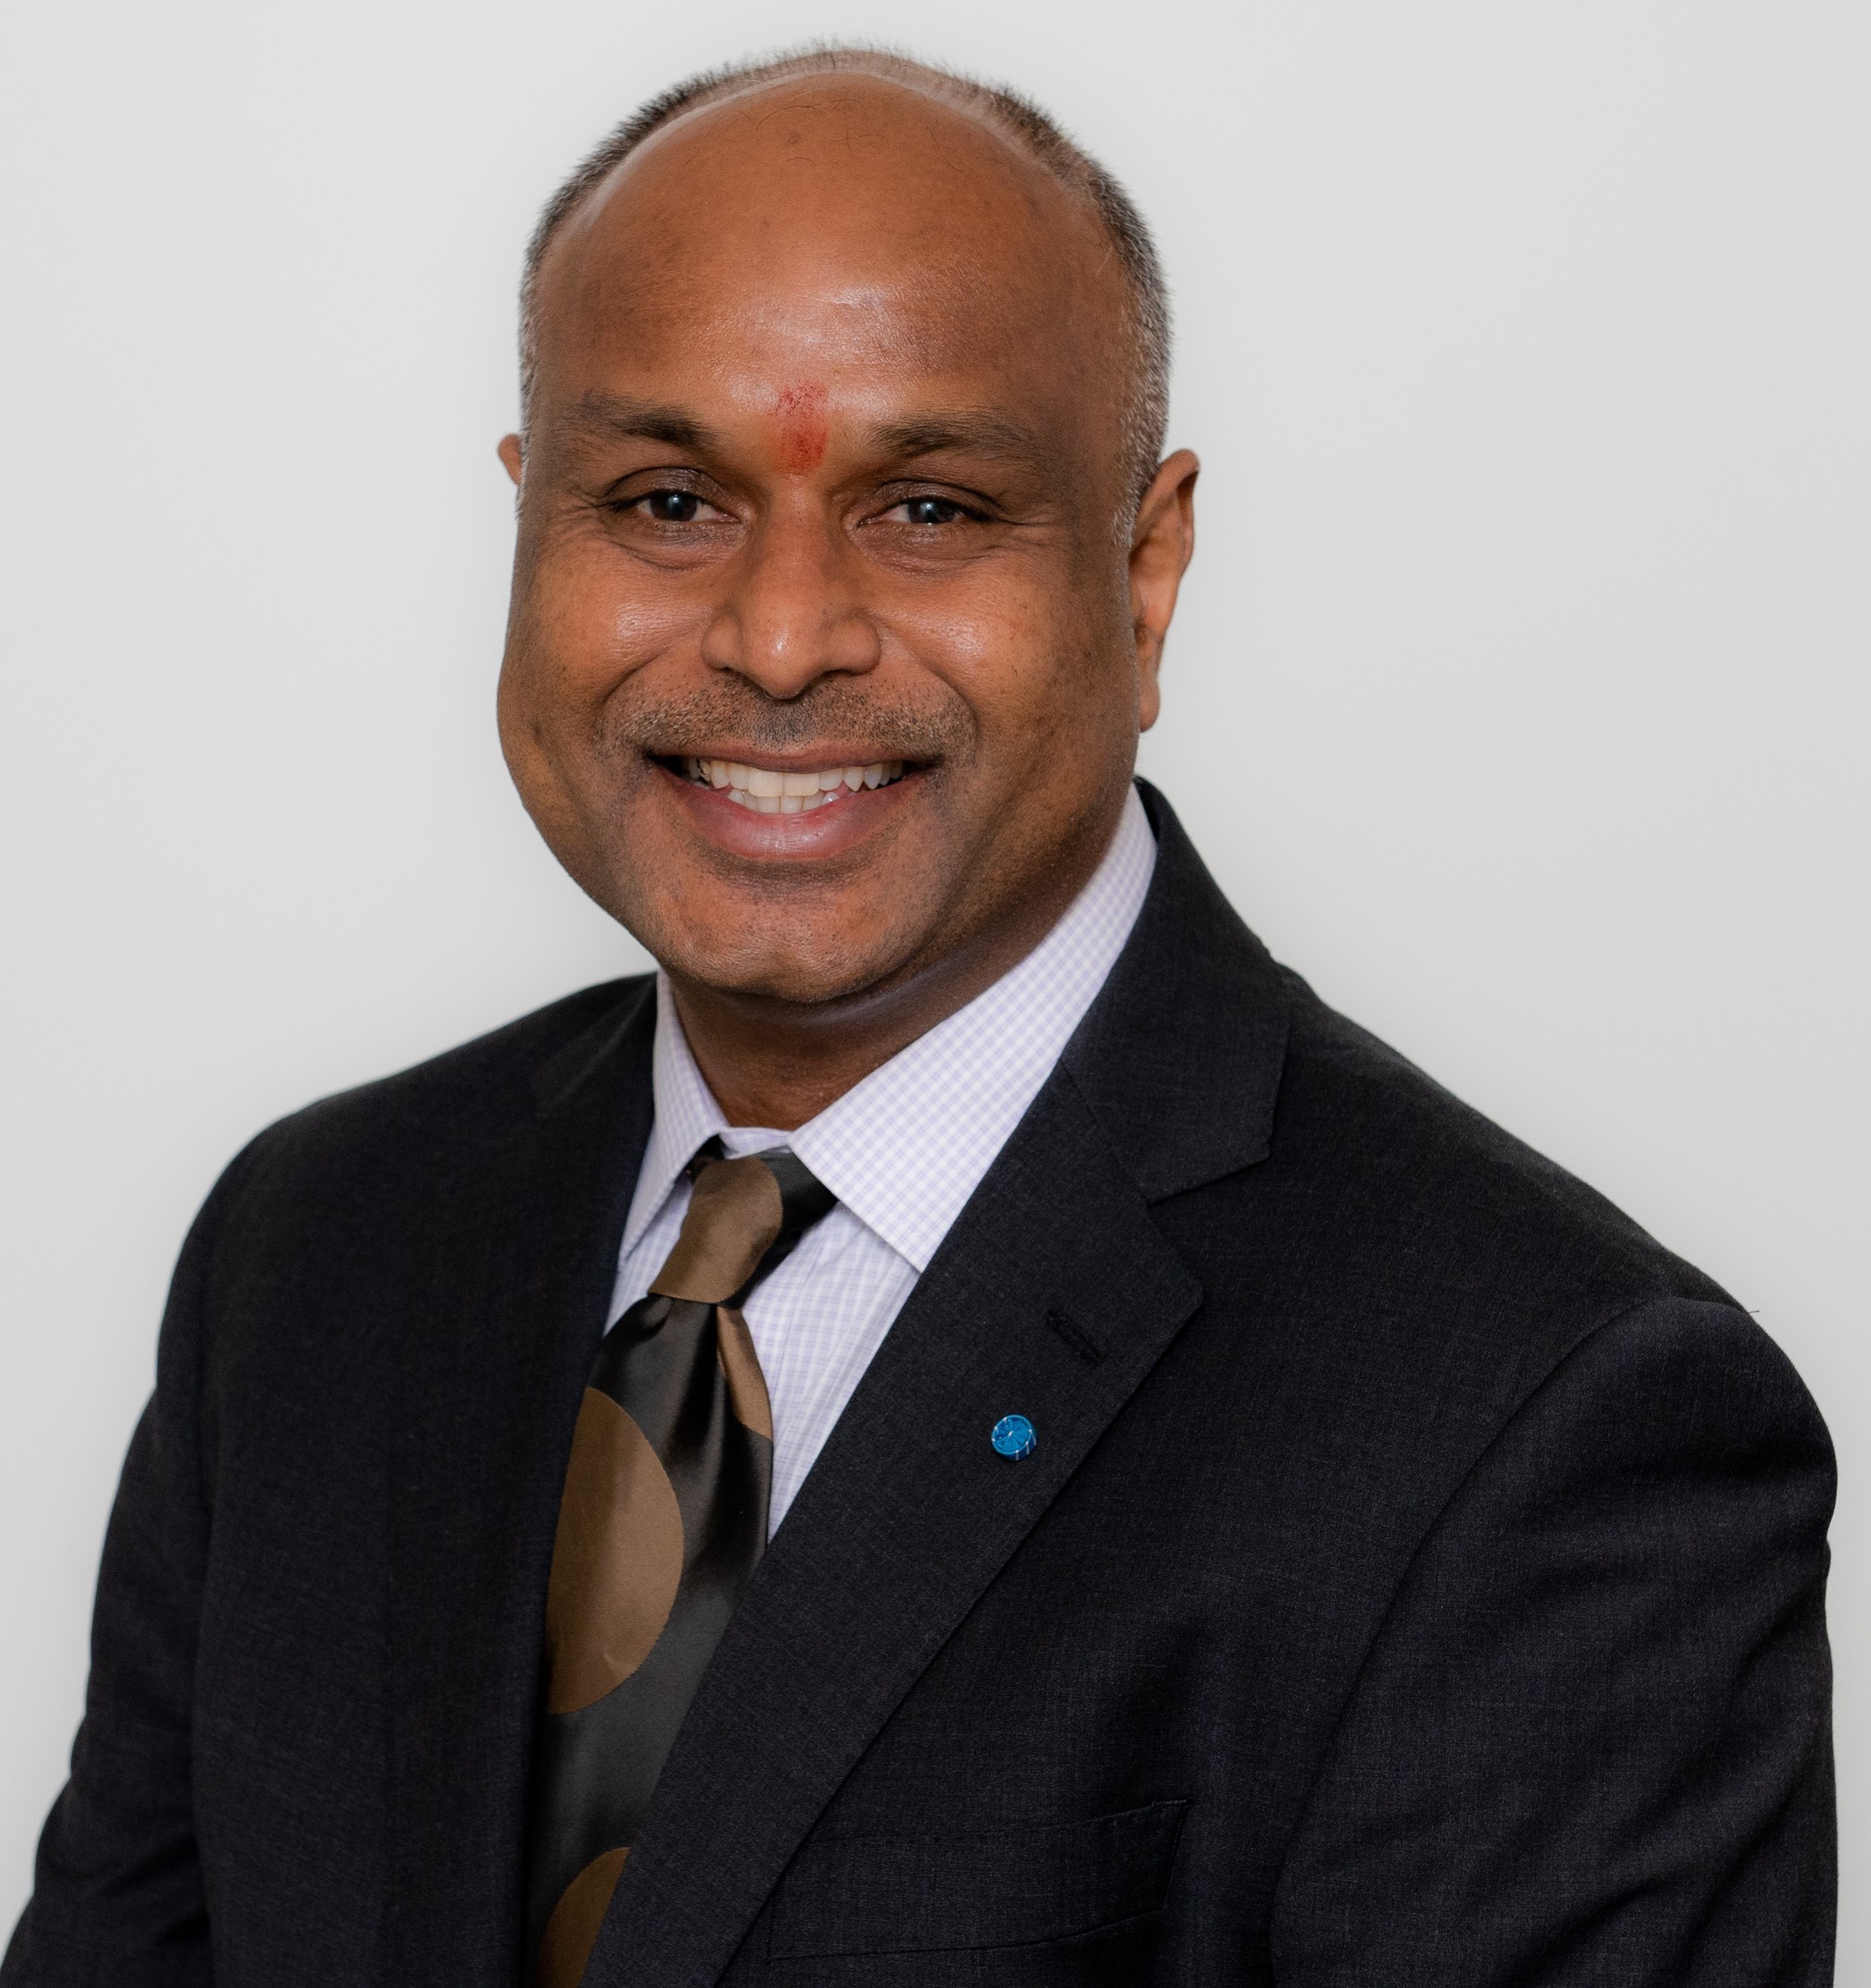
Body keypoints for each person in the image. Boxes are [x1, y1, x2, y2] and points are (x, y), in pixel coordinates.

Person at [3, 46, 1835, 1988]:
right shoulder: (319, 1247)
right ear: (531, 523)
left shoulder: (1548, 1420)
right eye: (668, 498)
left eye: (934, 507)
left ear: (1146, 571)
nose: (782, 635)